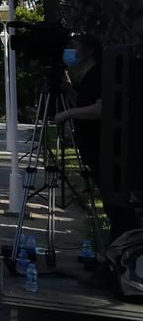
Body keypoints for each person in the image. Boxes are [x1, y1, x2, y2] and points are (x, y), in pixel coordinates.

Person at [55, 34, 140, 240]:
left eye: (73, 47)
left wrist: (68, 113)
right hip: (96, 151)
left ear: (89, 51)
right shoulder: (87, 78)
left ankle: (122, 250)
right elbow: (87, 105)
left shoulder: (100, 74)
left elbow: (104, 108)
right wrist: (69, 91)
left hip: (109, 152)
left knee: (117, 209)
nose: (68, 51)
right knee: (111, 207)